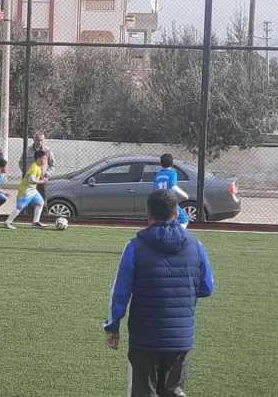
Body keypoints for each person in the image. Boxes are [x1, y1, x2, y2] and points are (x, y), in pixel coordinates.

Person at [102, 189, 214, 397]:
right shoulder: (196, 245)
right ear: (175, 213)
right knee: (173, 391)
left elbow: (119, 292)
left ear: (148, 214)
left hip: (145, 338)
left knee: (142, 392)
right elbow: (207, 287)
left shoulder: (135, 246)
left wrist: (112, 326)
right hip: (181, 338)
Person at [5, 150, 48, 229]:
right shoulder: (34, 167)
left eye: (46, 159)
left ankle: (35, 222)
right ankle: (8, 222)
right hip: (26, 191)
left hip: (33, 190)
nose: (45, 161)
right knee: (20, 207)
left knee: (40, 203)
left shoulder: (38, 166)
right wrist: (42, 181)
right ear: (38, 159)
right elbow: (31, 180)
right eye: (44, 158)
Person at [154, 153, 190, 229]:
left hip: (159, 201)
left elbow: (155, 189)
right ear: (172, 163)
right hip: (169, 201)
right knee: (184, 220)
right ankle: (177, 236)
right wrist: (184, 195)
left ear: (161, 163)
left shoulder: (158, 174)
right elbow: (173, 186)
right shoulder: (172, 173)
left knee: (166, 221)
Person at [19, 131, 55, 208]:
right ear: (34, 140)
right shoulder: (27, 150)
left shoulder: (47, 151)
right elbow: (21, 163)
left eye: (41, 140)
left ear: (44, 140)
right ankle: (28, 215)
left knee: (42, 198)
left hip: (42, 179)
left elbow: (52, 165)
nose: (39, 142)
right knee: (28, 197)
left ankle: (43, 215)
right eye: (37, 140)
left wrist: (47, 174)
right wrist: (26, 172)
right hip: (30, 179)